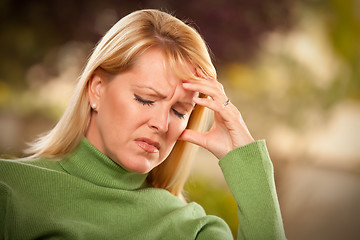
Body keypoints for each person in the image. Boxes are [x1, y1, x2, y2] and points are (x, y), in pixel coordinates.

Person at [0, 9, 286, 239]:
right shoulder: (9, 192)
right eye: (146, 99)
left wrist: (247, 161)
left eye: (178, 111)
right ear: (97, 88)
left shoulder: (192, 229)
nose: (162, 124)